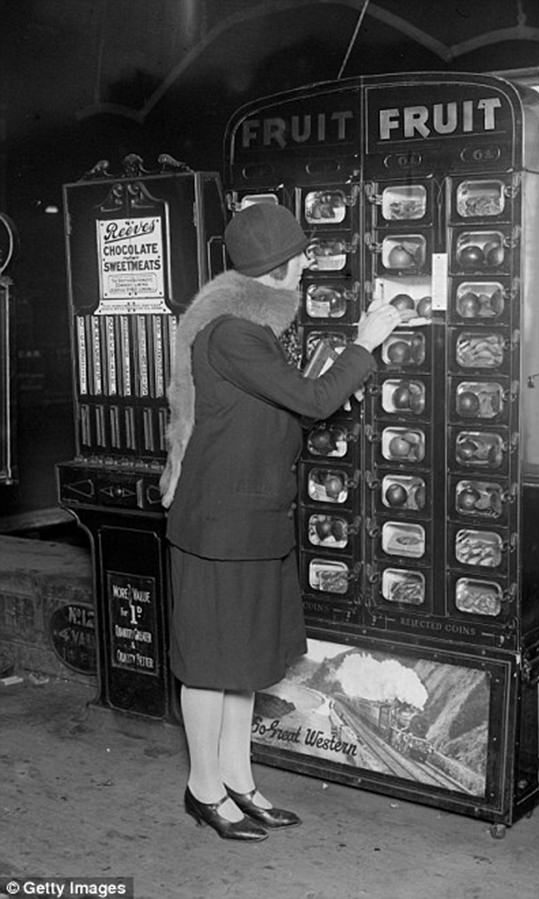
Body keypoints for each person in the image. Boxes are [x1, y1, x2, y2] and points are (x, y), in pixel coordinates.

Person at [160, 202, 401, 842]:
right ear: (278, 266)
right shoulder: (235, 334)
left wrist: (322, 375)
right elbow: (313, 402)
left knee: (245, 662)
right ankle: (202, 788)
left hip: (252, 519)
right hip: (220, 528)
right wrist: (365, 343)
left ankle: (238, 780)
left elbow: (280, 409)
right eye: (302, 255)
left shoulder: (245, 327)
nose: (308, 265)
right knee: (212, 664)